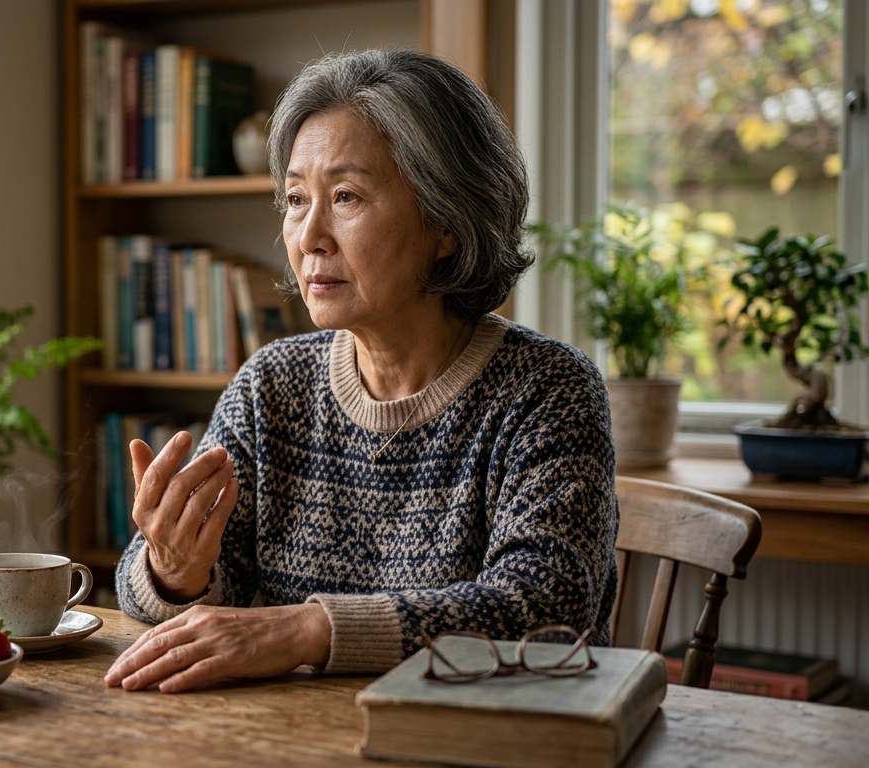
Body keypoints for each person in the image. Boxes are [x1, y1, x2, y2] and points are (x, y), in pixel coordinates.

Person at [104, 49, 619, 694]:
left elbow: (546, 610)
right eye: (295, 199)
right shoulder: (272, 386)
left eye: (345, 197)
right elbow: (163, 592)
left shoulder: (548, 390)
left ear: (446, 222)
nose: (308, 236)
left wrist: (303, 631)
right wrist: (174, 569)